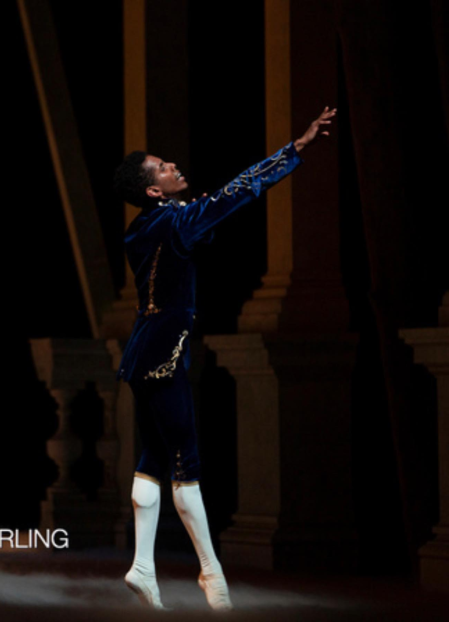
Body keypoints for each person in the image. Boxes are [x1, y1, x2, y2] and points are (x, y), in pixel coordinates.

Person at [112, 106, 337, 610]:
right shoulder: (177, 221)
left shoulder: (143, 228)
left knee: (151, 458)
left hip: (140, 352)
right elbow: (239, 191)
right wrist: (296, 149)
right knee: (184, 462)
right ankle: (212, 574)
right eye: (163, 168)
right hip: (164, 355)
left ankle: (143, 566)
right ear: (153, 190)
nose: (173, 166)